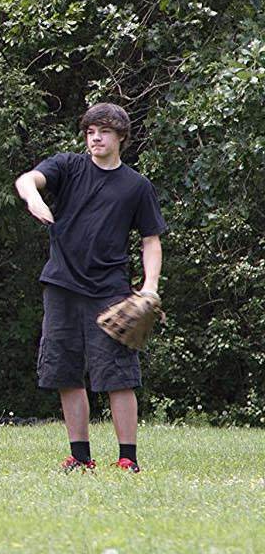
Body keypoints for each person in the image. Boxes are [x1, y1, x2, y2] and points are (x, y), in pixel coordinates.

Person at [14, 102, 166, 473]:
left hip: (109, 292)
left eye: (104, 132)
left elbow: (151, 240)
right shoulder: (68, 166)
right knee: (65, 372)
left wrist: (149, 287)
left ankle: (127, 459)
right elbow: (26, 180)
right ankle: (80, 457)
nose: (95, 138)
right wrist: (34, 198)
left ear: (121, 137)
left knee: (118, 376)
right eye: (90, 132)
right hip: (61, 284)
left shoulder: (136, 186)